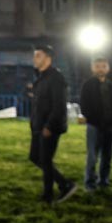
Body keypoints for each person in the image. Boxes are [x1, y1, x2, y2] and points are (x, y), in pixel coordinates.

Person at [29, 45, 77, 204]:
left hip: (49, 127)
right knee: (35, 157)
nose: (34, 59)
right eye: (34, 55)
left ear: (48, 58)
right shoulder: (40, 78)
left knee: (45, 159)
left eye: (38, 55)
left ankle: (49, 195)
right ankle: (64, 184)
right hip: (38, 125)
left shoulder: (56, 78)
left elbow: (59, 105)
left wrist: (49, 126)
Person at [79, 57, 112, 191]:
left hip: (109, 126)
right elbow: (83, 105)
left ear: (108, 68)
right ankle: (90, 183)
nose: (100, 69)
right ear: (92, 68)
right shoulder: (87, 85)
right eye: (97, 66)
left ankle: (104, 181)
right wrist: (92, 119)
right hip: (94, 126)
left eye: (103, 66)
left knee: (107, 156)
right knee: (92, 156)